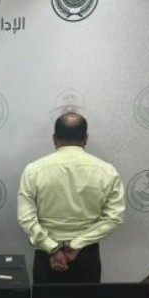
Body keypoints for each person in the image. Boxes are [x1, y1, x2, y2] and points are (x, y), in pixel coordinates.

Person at [17, 112, 125, 283]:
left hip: (47, 256)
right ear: (86, 138)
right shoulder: (107, 171)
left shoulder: (33, 170)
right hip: (86, 256)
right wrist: (76, 245)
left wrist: (52, 248)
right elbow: (114, 217)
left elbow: (26, 218)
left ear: (54, 138)